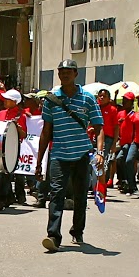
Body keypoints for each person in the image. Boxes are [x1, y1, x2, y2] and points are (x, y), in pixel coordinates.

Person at [37, 59, 101, 252]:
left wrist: (100, 153)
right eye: (61, 72)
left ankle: (77, 230)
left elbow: (99, 127)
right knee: (56, 194)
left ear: (76, 74)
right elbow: (46, 131)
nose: (64, 75)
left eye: (68, 72)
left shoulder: (88, 98)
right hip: (59, 155)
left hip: (82, 154)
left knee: (81, 195)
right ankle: (53, 236)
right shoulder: (51, 99)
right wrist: (39, 159)